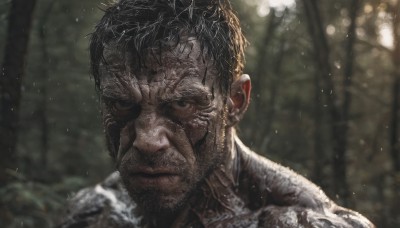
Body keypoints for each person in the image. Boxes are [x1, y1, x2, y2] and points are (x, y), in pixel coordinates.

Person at [59, 0, 374, 227]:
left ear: (235, 102)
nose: (148, 140)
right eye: (123, 105)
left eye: (182, 105)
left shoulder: (302, 221)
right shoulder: (96, 208)